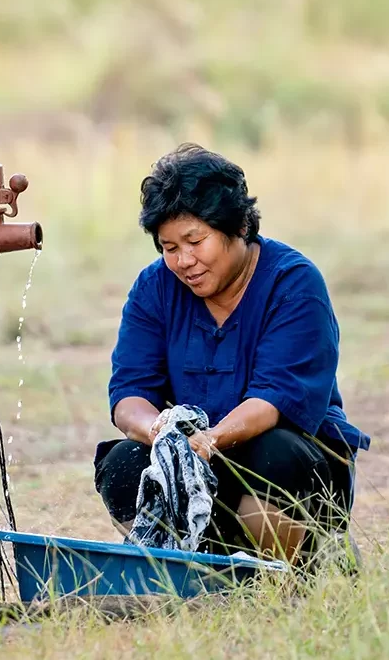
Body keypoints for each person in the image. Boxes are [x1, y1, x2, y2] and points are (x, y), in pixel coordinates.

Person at [97, 145, 369, 562]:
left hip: (284, 459)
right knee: (122, 464)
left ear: (240, 226)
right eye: (170, 247)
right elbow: (130, 394)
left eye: (195, 241)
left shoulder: (293, 283)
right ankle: (183, 567)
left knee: (273, 454)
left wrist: (210, 441)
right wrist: (161, 434)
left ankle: (300, 565)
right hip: (196, 458)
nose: (184, 261)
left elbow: (274, 400)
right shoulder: (154, 288)